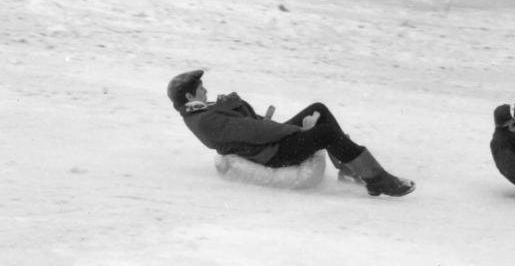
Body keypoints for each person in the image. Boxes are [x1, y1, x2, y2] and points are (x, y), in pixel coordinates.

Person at [166, 70, 415, 197]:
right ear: (189, 97)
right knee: (325, 132)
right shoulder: (205, 120)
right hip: (271, 153)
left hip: (266, 142)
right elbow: (255, 132)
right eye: (200, 88)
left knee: (318, 109)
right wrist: (298, 131)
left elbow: (251, 127)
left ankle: (350, 170)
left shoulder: (201, 111)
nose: (205, 89)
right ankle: (377, 179)